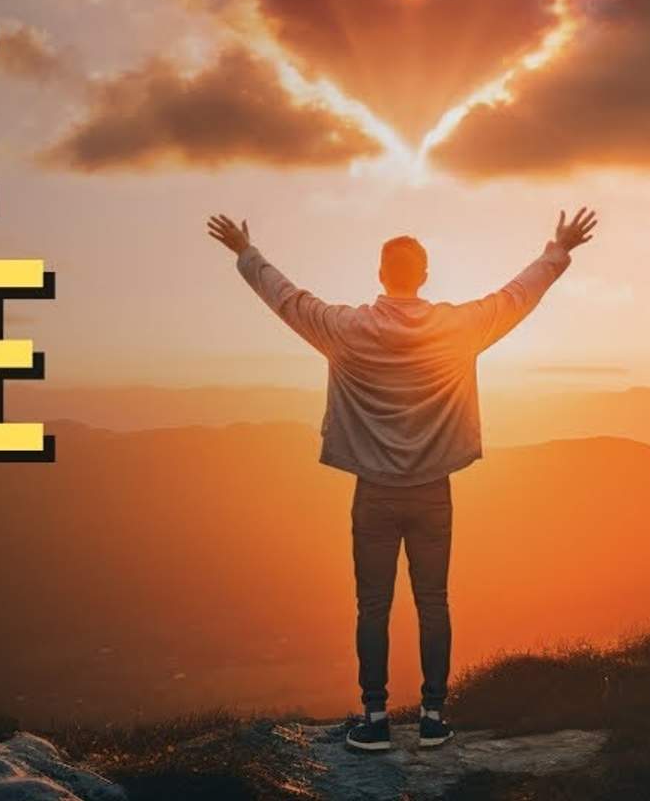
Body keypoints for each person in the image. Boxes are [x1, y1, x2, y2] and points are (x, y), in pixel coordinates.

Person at [205, 208, 599, 752]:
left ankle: (375, 718)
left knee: (373, 606)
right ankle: (435, 716)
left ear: (381, 274)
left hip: (373, 493)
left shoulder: (346, 330)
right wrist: (558, 251)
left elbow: (288, 300)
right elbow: (515, 297)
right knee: (433, 602)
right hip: (434, 490)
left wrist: (246, 253)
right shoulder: (456, 328)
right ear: (425, 274)